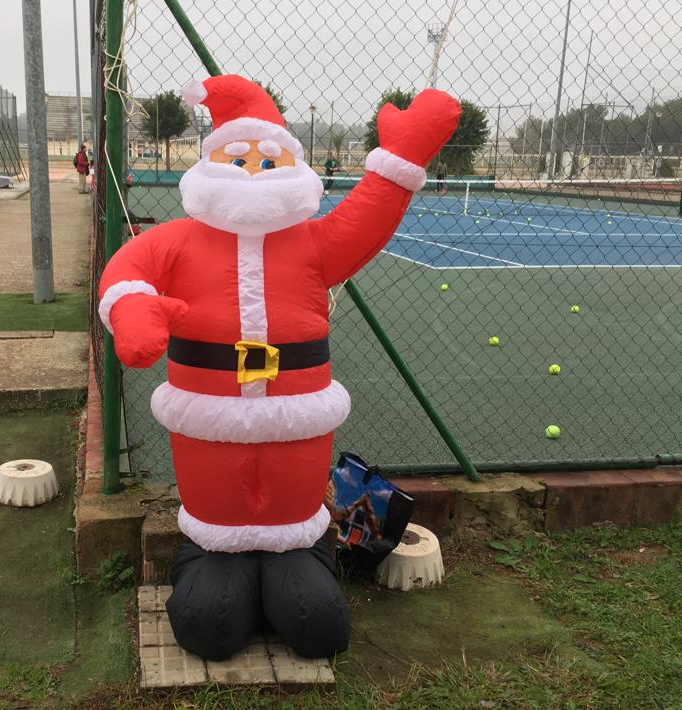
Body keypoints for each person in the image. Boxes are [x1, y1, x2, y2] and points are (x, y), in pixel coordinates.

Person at [98, 75, 459, 661]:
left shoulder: (312, 243)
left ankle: (299, 551)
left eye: (268, 161)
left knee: (316, 621)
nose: (252, 172)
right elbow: (127, 271)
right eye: (237, 159)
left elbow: (365, 220)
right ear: (209, 165)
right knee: (209, 621)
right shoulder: (178, 242)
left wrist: (400, 158)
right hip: (208, 429)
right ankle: (213, 554)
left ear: (291, 165)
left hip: (298, 430)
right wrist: (134, 310)